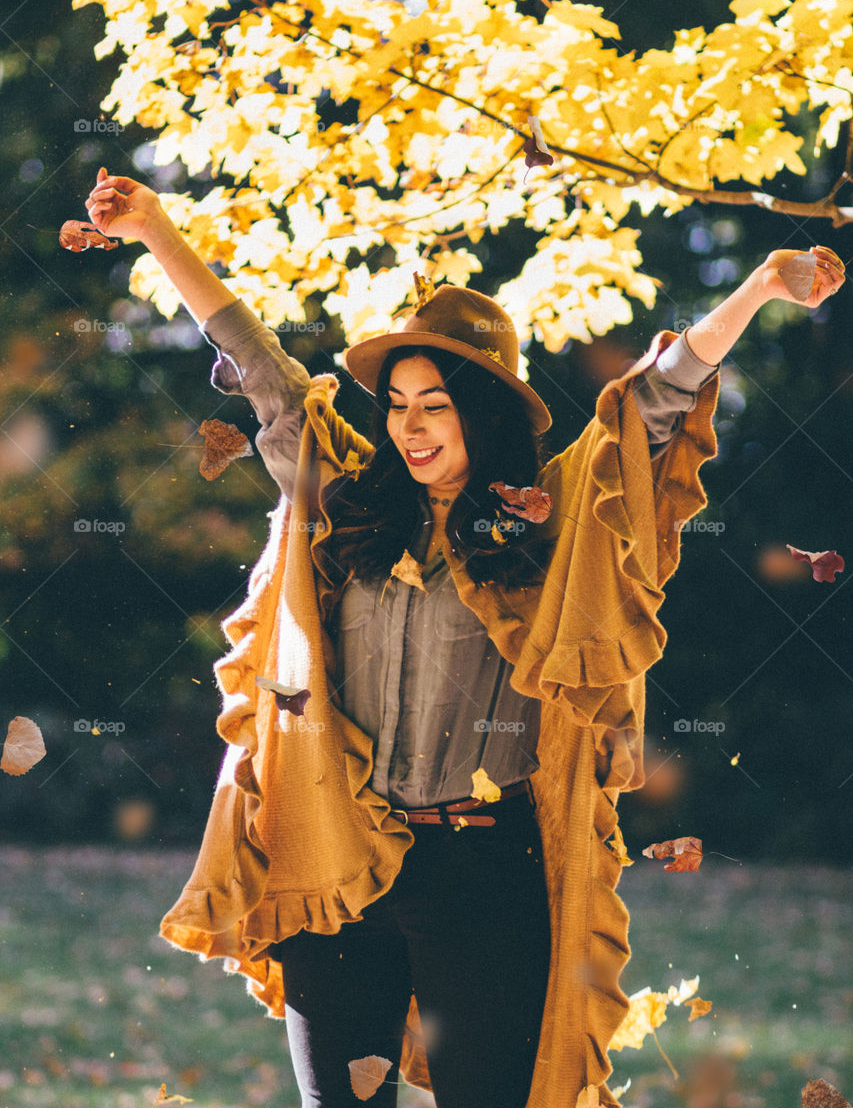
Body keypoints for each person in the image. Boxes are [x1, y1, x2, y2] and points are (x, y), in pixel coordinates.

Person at [85, 168, 843, 1108]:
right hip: (338, 859)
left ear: (479, 414)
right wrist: (156, 228)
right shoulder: (349, 505)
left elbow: (652, 406)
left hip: (485, 875)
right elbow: (266, 377)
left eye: (433, 404)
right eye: (397, 403)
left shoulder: (552, 522)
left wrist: (760, 288)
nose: (408, 425)